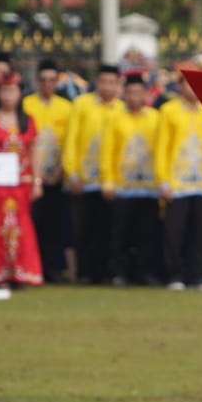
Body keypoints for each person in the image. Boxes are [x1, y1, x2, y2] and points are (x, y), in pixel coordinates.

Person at [155, 70, 202, 291]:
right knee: (174, 231)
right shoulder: (168, 111)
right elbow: (161, 147)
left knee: (201, 232)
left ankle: (198, 276)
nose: (193, 90)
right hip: (178, 183)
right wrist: (163, 180)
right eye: (188, 85)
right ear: (179, 87)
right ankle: (175, 275)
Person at [0, 73, 43, 287]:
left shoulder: (28, 120)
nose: (8, 96)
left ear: (20, 94)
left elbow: (34, 151)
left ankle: (21, 271)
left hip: (22, 181)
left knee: (21, 223)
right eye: (4, 91)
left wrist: (37, 181)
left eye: (13, 91)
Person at [100, 72, 161, 286]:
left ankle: (144, 272)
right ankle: (118, 272)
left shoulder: (155, 118)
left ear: (145, 94)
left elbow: (162, 151)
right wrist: (108, 181)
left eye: (139, 93)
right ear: (124, 94)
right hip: (122, 186)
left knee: (147, 233)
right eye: (130, 93)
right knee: (119, 233)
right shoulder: (115, 118)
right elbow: (107, 151)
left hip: (149, 186)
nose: (134, 97)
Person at [63, 64, 122, 284]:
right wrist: (73, 174)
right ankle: (85, 272)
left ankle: (107, 272)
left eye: (112, 82)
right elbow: (71, 140)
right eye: (103, 81)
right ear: (96, 82)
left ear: (118, 84)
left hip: (112, 182)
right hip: (85, 179)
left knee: (108, 229)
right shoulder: (82, 105)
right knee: (83, 229)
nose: (107, 87)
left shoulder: (121, 109)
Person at [25, 60, 74, 281]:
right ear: (37, 81)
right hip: (31, 175)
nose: (47, 84)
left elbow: (71, 142)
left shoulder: (66, 107)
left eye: (52, 80)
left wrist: (59, 171)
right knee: (32, 223)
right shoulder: (27, 105)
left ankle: (53, 268)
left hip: (57, 175)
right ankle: (32, 266)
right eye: (43, 80)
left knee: (55, 224)